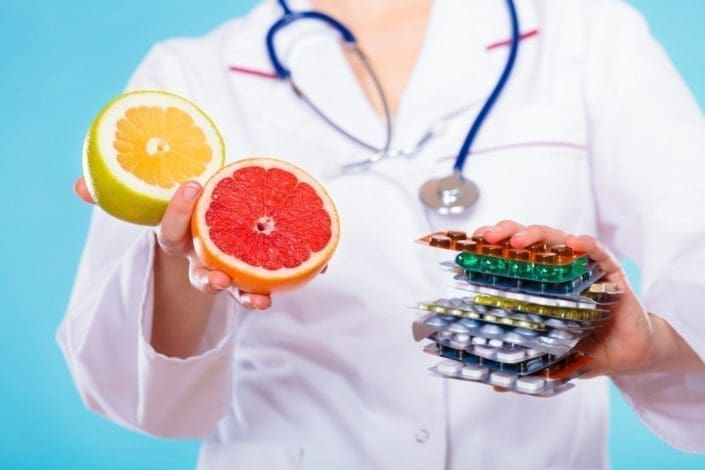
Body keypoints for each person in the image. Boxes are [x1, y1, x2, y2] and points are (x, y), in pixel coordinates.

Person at [59, 0, 705, 468]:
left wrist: (655, 348)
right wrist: (182, 264)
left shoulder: (585, 32)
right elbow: (136, 396)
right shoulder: (191, 78)